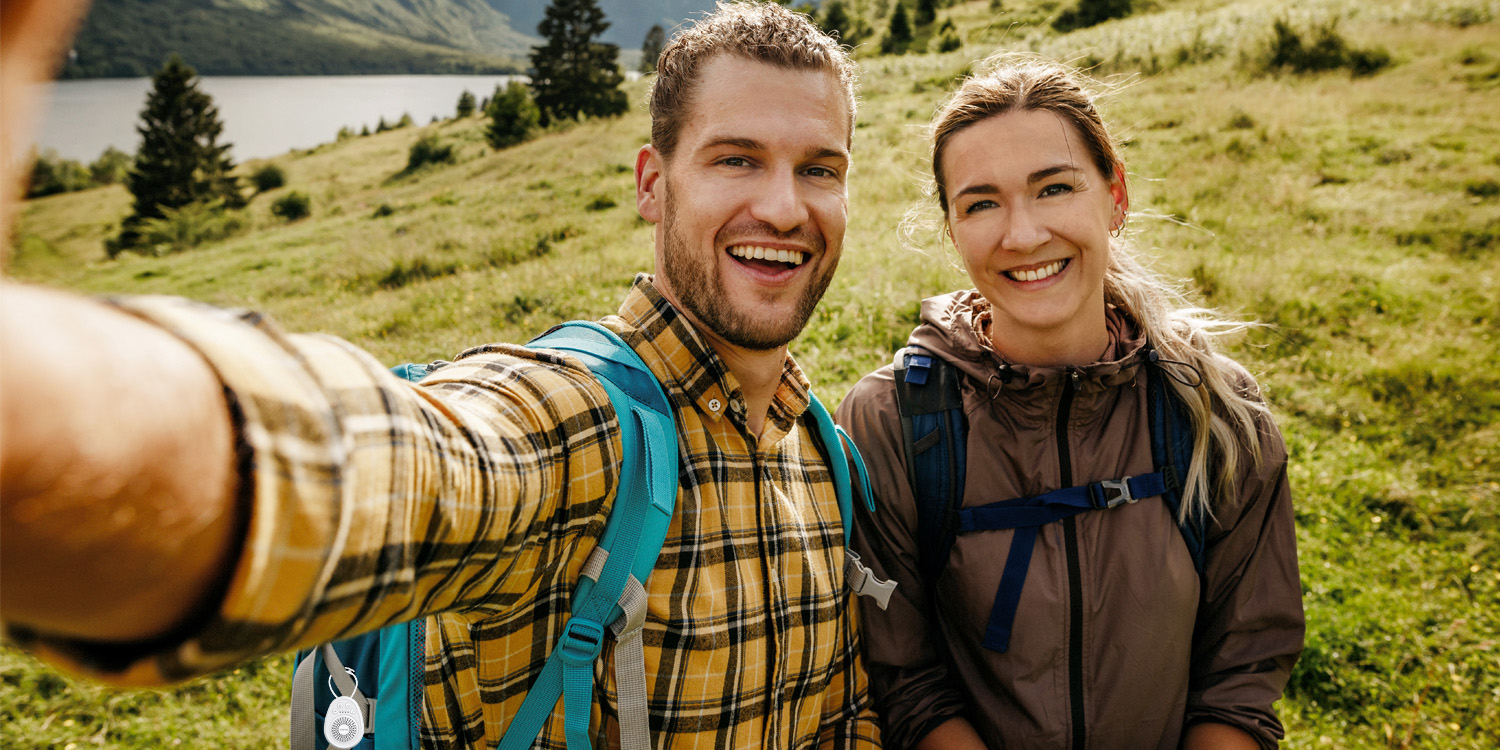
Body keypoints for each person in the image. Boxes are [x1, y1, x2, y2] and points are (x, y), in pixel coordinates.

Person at [0, 2, 883, 748]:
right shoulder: (579, 426)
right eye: (736, 159)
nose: (782, 206)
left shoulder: (824, 453)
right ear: (654, 185)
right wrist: (46, 415)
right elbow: (389, 472)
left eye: (819, 169)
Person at [835, 56, 1304, 750]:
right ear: (952, 227)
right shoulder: (891, 423)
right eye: (982, 203)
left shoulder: (1215, 410)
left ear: (1115, 197)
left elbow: (1240, 680)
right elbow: (906, 683)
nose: (1022, 235)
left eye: (1053, 188)